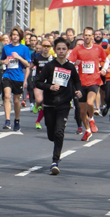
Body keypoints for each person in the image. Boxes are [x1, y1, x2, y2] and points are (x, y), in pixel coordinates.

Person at [34, 37, 81, 175]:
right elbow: (38, 82)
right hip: (49, 103)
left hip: (64, 103)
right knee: (51, 134)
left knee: (59, 132)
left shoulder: (70, 67)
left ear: (67, 51)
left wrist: (78, 91)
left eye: (63, 49)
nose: (61, 51)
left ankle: (55, 162)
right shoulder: (49, 66)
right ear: (55, 50)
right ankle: (55, 139)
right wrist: (50, 87)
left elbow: (77, 81)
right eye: (59, 49)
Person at [68, 26, 106, 141]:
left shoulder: (98, 48)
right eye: (86, 35)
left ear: (92, 36)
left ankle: (91, 119)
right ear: (83, 36)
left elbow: (106, 60)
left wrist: (104, 69)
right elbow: (69, 62)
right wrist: (75, 64)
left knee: (90, 102)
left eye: (89, 35)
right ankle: (88, 130)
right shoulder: (77, 49)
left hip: (94, 81)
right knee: (82, 111)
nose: (87, 37)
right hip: (81, 83)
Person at [0, 27, 32, 131]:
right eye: (13, 34)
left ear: (20, 37)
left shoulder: (24, 48)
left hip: (18, 77)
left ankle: (17, 120)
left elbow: (28, 64)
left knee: (16, 100)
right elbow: (2, 60)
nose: (15, 37)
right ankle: (7, 120)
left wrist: (19, 57)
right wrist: (4, 62)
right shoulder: (6, 48)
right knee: (7, 96)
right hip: (7, 75)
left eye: (17, 35)